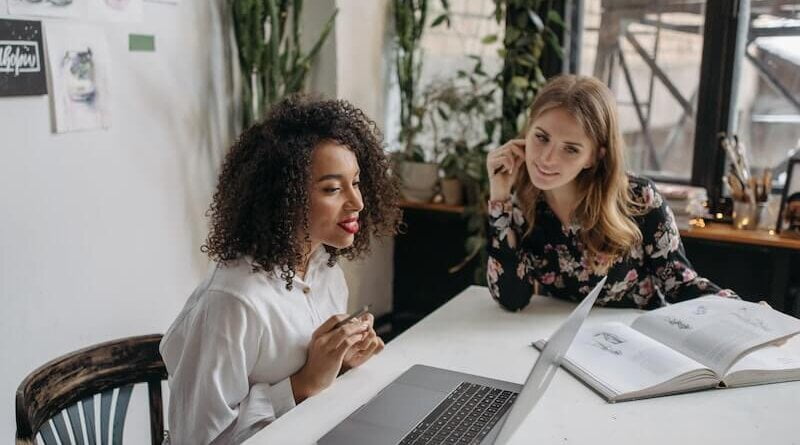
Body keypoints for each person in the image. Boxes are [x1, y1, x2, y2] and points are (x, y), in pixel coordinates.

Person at [160, 95, 402, 444]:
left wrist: (342, 361)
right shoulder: (233, 302)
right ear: (284, 197)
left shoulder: (325, 270)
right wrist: (304, 383)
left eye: (357, 182)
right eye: (333, 188)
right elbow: (198, 440)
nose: (358, 203)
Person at [485, 74, 735, 311]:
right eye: (541, 137)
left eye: (570, 149)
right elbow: (512, 298)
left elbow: (679, 283)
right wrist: (499, 198)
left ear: (594, 157)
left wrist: (742, 312)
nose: (547, 159)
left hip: (632, 343)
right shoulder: (522, 204)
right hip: (559, 341)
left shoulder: (639, 199)